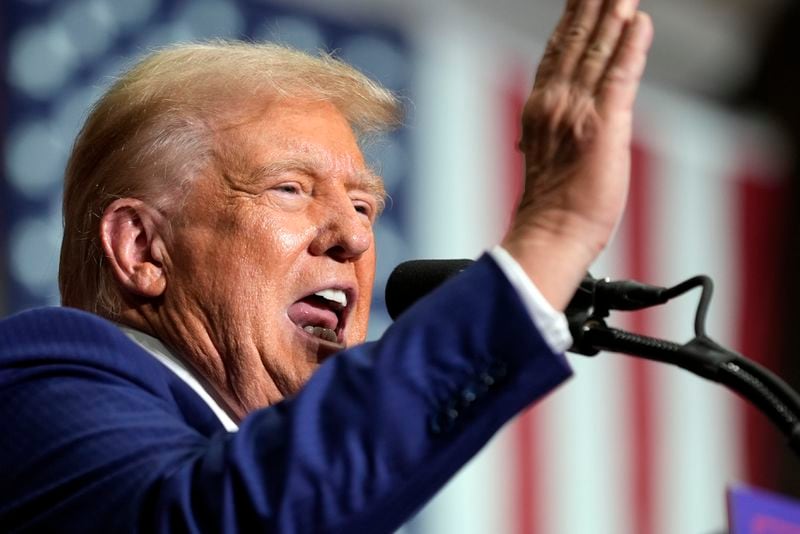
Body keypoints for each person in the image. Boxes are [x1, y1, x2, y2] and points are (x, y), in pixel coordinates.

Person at [0, 0, 653, 532]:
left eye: (365, 206)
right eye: (290, 188)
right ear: (142, 249)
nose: (354, 238)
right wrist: (553, 234)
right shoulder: (35, 379)